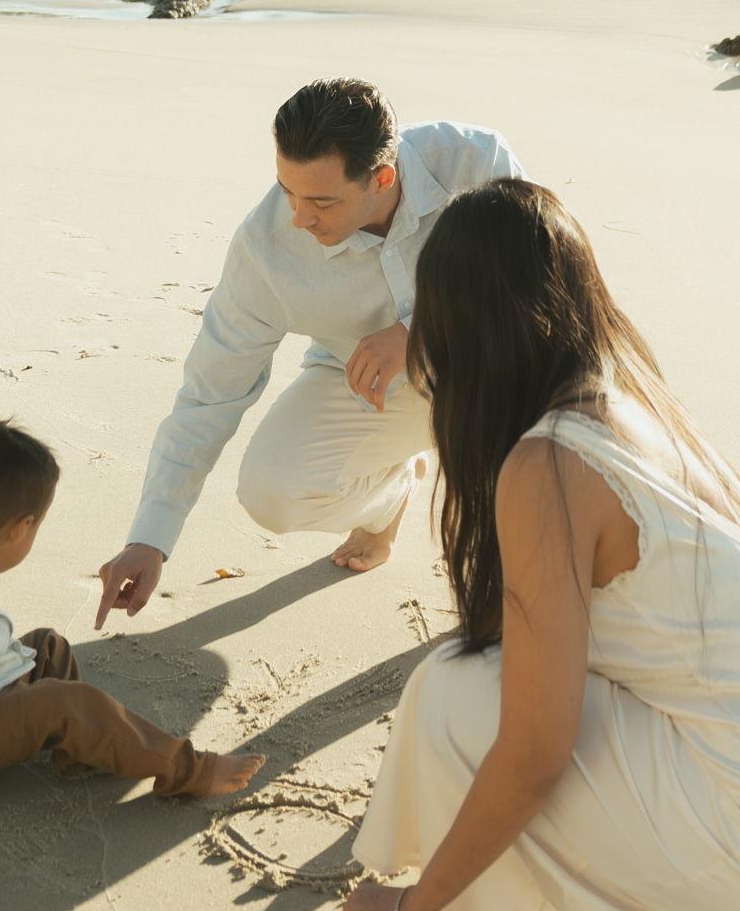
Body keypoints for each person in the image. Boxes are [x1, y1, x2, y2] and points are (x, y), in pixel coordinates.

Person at [344, 182, 740, 911]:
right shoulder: (636, 397)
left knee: (452, 696)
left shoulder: (547, 465)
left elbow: (534, 756)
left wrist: (414, 907)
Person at [96, 80, 521, 626]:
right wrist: (150, 539)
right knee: (272, 492)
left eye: (322, 201)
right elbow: (209, 393)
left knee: (513, 554)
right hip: (371, 385)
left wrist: (419, 332)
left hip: (500, 372)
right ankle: (392, 494)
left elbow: (535, 280)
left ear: (382, 178)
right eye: (288, 191)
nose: (299, 217)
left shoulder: (474, 161)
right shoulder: (266, 247)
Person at [0, 418, 262, 837]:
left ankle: (81, 750)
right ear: (20, 529)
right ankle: (188, 770)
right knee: (61, 702)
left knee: (47, 646)